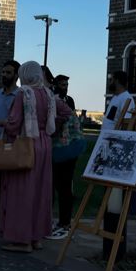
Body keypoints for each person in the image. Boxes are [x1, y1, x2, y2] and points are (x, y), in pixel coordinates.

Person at [0, 61, 71, 252]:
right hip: (44, 144)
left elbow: (13, 123)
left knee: (22, 192)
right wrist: (51, 124)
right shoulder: (47, 94)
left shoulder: (24, 93)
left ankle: (22, 240)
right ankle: (36, 237)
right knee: (40, 192)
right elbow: (67, 112)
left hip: (27, 143)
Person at [0, 60, 20, 220]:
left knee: (10, 182)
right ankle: (0, 211)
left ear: (16, 75)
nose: (4, 75)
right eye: (3, 72)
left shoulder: (20, 95)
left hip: (9, 145)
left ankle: (10, 212)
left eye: (8, 73)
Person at [47, 74, 77, 241]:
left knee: (66, 186)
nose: (65, 87)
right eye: (62, 84)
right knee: (53, 184)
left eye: (66, 84)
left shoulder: (69, 100)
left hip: (67, 145)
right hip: (55, 146)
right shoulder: (52, 99)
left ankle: (65, 220)